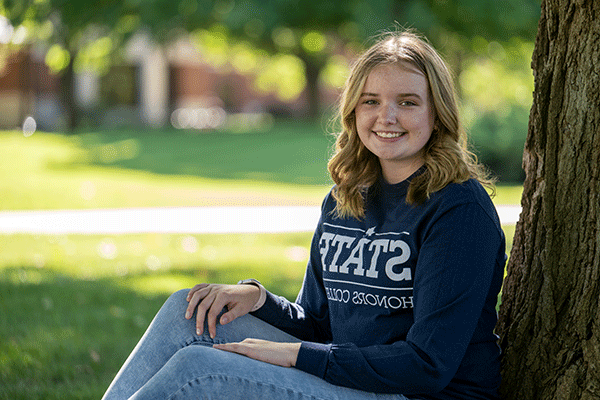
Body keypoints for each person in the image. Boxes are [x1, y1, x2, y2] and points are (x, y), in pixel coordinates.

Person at [102, 30, 506, 400]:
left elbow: (427, 366)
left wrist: (297, 356)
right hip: (348, 378)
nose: (387, 117)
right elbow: (317, 323)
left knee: (200, 370)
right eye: (372, 101)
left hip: (417, 395)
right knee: (187, 311)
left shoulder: (458, 210)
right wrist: (258, 300)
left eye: (408, 102)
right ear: (353, 111)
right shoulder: (346, 197)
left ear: (437, 115)